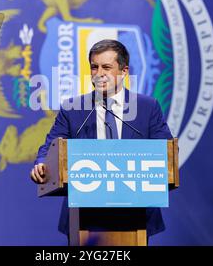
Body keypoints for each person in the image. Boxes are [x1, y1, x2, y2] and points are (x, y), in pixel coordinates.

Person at [30, 39, 173, 241]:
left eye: (106, 67)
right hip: (84, 215)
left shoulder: (147, 107)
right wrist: (42, 164)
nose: (99, 74)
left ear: (124, 71)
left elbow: (165, 152)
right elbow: (51, 146)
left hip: (135, 213)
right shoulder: (73, 109)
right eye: (94, 67)